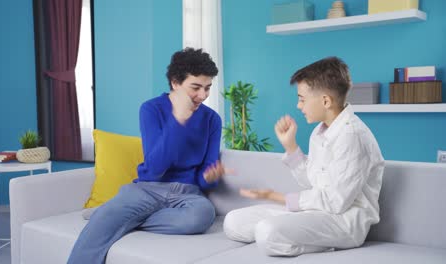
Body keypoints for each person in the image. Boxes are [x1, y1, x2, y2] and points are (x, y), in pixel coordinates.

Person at [68, 48, 227, 264]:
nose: (203, 95)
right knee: (98, 228)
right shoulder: (151, 109)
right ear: (175, 83)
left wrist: (210, 177)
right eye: (196, 87)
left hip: (187, 194)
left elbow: (205, 177)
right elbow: (154, 168)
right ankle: (112, 215)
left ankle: (121, 217)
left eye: (208, 88)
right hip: (147, 188)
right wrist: (177, 120)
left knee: (202, 215)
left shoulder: (212, 120)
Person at [223, 57, 384, 257]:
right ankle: (290, 236)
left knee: (267, 232)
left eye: (302, 99)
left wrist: (278, 198)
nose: (299, 106)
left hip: (344, 222)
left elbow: (336, 202)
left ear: (326, 101)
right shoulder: (320, 131)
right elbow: (311, 181)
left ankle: (314, 242)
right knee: (233, 222)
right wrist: (290, 147)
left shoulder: (353, 136)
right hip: (316, 211)